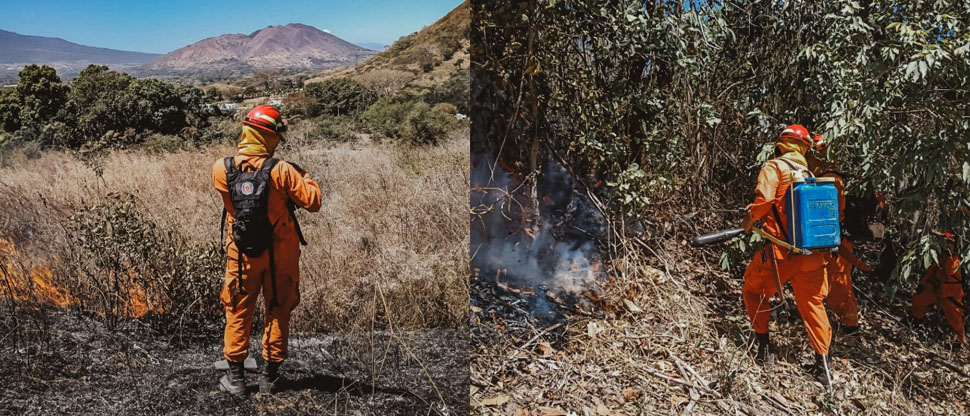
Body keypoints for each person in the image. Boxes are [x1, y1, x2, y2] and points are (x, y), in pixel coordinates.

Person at [212, 105, 322, 397]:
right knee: (278, 310)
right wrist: (305, 175)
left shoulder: (221, 169)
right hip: (279, 257)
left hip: (241, 255)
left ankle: (235, 379)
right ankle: (269, 379)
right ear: (269, 136)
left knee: (237, 311)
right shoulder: (283, 170)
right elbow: (313, 201)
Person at [740, 124, 835, 385]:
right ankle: (823, 365)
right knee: (813, 304)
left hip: (782, 254)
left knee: (753, 291)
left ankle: (763, 347)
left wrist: (748, 221)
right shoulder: (810, 175)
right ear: (804, 148)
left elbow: (763, 203)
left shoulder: (775, 167)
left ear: (781, 144)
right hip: (814, 255)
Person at [807, 135, 871, 335]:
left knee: (840, 285)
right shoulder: (824, 178)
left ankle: (851, 326)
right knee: (827, 281)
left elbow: (832, 212)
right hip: (828, 241)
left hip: (837, 242)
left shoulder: (832, 179)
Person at [911, 232, 965, 346]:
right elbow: (931, 270)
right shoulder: (939, 256)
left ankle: (960, 341)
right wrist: (922, 284)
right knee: (918, 300)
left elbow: (949, 270)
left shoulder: (955, 260)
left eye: (949, 243)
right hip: (935, 288)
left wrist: (949, 254)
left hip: (950, 294)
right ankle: (916, 321)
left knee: (955, 317)